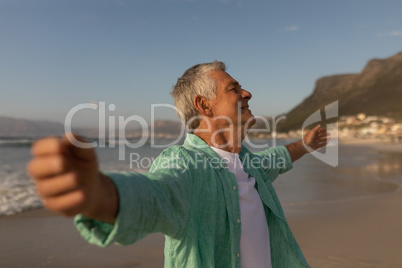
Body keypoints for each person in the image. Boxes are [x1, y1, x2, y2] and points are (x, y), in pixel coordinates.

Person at [28, 61, 329, 268]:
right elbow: (156, 194)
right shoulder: (185, 165)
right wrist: (98, 193)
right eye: (234, 89)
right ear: (203, 105)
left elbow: (275, 159)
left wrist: (305, 145)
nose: (247, 93)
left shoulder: (249, 162)